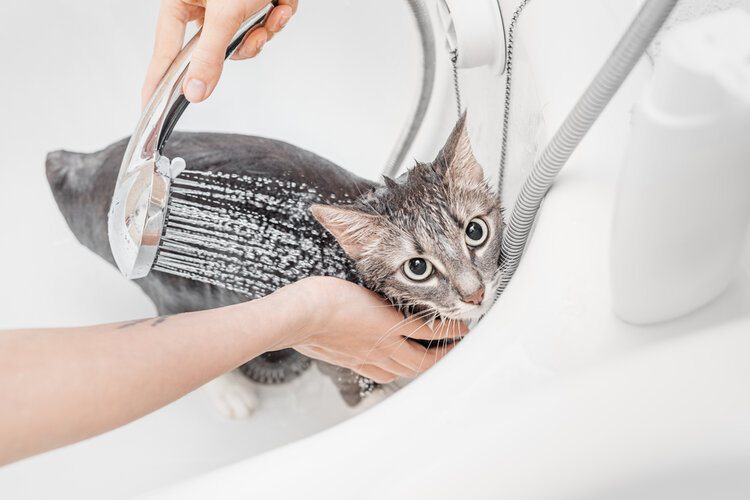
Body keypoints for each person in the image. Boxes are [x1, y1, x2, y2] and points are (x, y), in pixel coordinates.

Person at [0, 0, 467, 466]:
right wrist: (310, 323)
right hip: (132, 219)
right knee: (177, 293)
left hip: (149, 180)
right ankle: (212, 372)